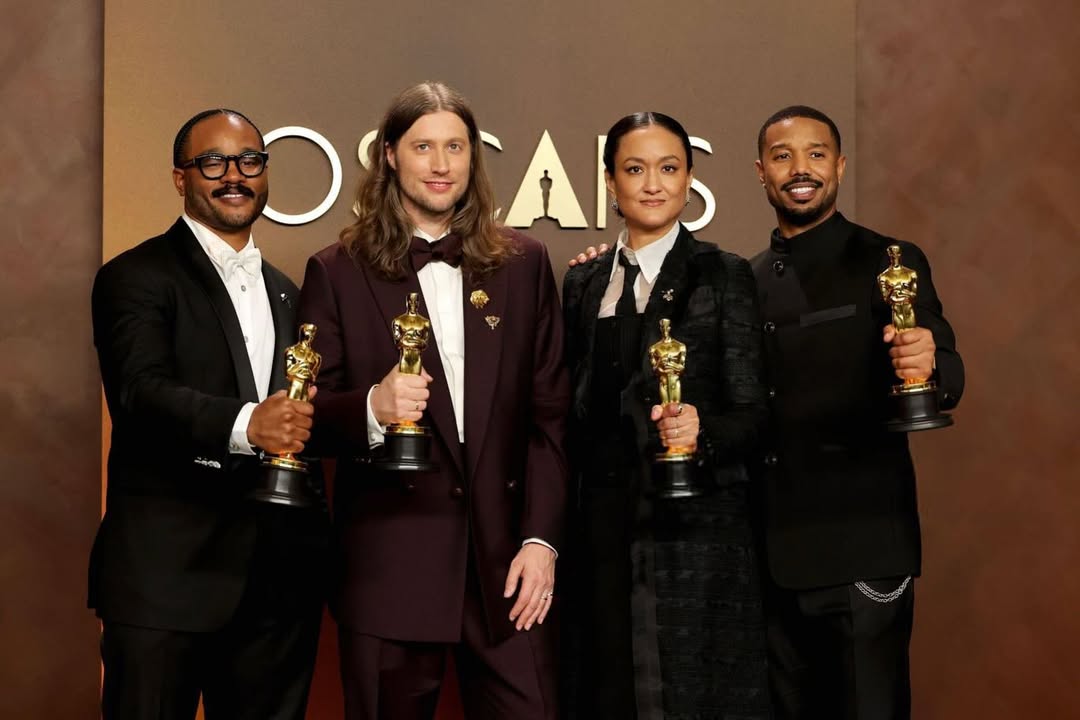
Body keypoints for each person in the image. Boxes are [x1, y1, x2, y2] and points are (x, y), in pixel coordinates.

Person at [296, 81, 568, 720]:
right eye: (423, 147)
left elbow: (551, 417)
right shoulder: (336, 270)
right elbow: (304, 420)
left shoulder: (525, 264)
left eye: (455, 147)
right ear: (389, 155)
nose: (441, 165)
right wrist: (371, 407)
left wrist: (542, 542)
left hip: (509, 573)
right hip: (390, 569)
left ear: (474, 157)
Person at [89, 108, 328, 720]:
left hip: (276, 588)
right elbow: (140, 393)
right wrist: (249, 424)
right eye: (213, 162)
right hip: (166, 584)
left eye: (249, 161)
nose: (234, 176)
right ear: (180, 178)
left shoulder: (289, 292)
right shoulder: (134, 276)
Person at [752, 105, 964, 719]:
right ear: (760, 172)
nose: (800, 169)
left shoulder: (889, 261)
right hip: (769, 561)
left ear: (839, 166)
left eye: (816, 154)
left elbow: (944, 369)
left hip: (863, 553)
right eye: (783, 156)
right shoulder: (748, 277)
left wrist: (929, 365)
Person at [561, 111, 771, 719]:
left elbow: (754, 414)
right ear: (609, 183)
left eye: (669, 168)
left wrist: (702, 433)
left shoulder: (722, 273)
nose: (653, 183)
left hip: (692, 531)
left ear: (689, 180)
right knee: (604, 691)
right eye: (635, 168)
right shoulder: (583, 281)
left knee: (686, 697)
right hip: (598, 529)